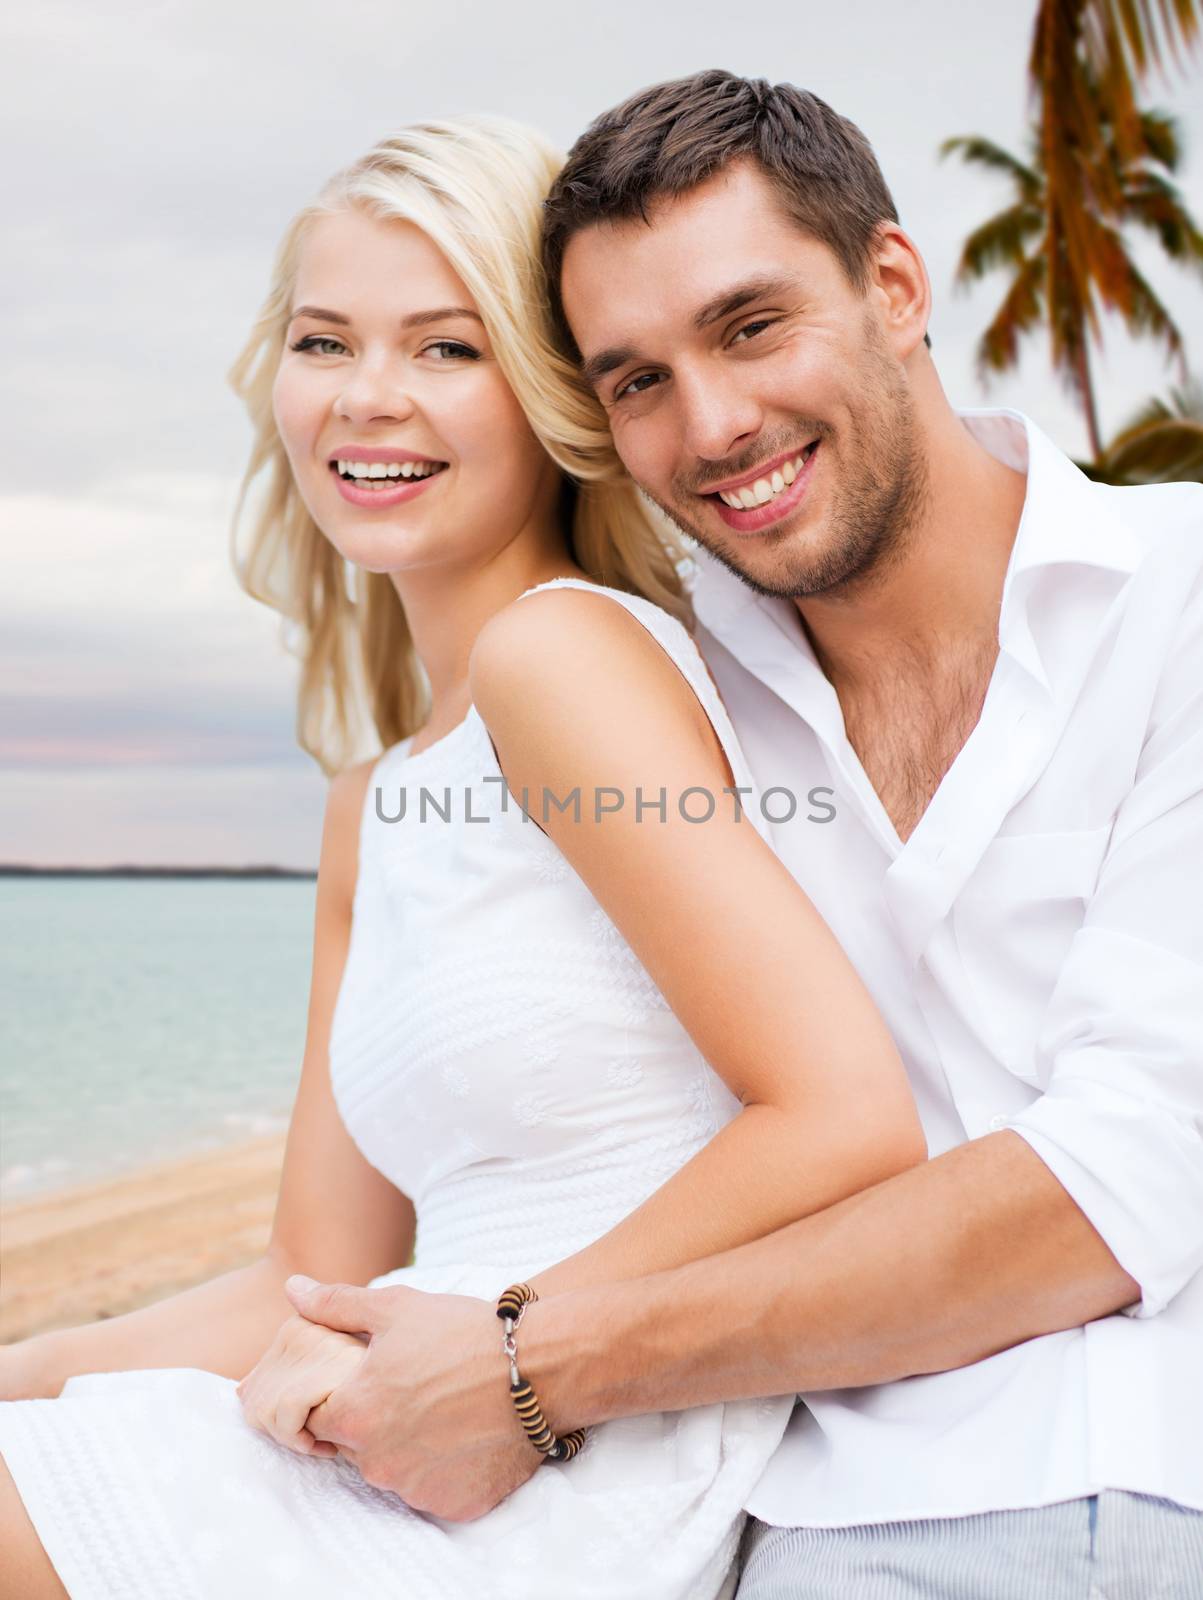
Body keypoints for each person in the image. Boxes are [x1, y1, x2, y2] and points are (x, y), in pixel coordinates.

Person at [262, 72, 1203, 1598]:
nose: (713, 424)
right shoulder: (668, 685)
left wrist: (525, 1365)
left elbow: (1136, 1169)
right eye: (635, 380)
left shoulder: (1182, 599)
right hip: (788, 1517)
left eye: (751, 325)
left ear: (894, 285)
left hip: (1145, 1469)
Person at [0, 113, 927, 1599]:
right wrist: (39, 1362)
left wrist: (502, 1348)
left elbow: (843, 1117)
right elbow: (315, 1279)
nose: (371, 401)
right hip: (407, 1411)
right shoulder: (375, 801)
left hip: (566, 1452)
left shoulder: (558, 660)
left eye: (446, 348)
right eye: (324, 342)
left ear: (546, 391)